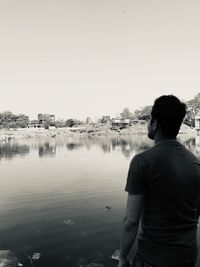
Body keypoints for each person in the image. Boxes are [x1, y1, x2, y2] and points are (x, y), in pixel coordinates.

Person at [118, 95, 200, 267]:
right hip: (187, 257)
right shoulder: (196, 163)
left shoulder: (142, 162)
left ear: (154, 123)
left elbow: (131, 221)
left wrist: (123, 256)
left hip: (153, 258)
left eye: (149, 119)